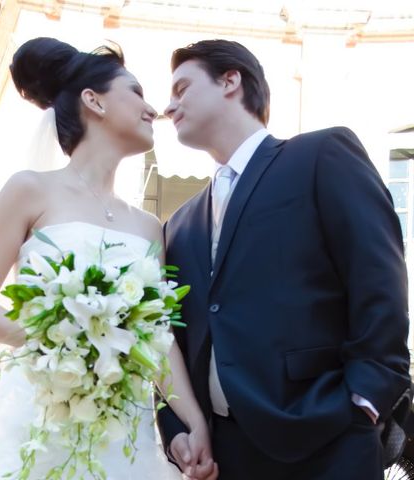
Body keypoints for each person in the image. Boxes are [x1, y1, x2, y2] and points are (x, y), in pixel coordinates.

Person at [0, 37, 213, 479]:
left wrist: (194, 420)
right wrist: (65, 345)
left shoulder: (148, 226)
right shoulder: (30, 190)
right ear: (94, 101)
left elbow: (159, 338)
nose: (154, 111)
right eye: (136, 93)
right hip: (41, 410)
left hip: (122, 429)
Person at [156, 39, 411, 480]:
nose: (168, 106)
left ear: (230, 80)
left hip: (327, 439)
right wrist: (176, 425)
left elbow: (378, 275)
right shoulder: (178, 224)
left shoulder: (319, 155)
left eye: (182, 88)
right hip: (222, 457)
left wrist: (365, 400)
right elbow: (171, 336)